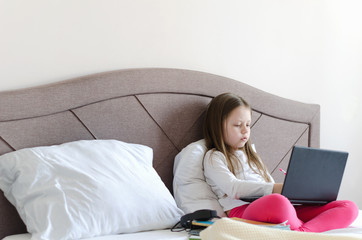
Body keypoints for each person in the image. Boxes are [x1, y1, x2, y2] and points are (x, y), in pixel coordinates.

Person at [202, 92, 358, 232]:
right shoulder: (214, 157)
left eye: (248, 125)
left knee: (350, 207)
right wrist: (276, 189)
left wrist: (295, 190)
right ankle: (303, 227)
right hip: (243, 210)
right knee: (278, 201)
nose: (245, 130)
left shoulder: (252, 156)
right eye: (238, 125)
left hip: (280, 205)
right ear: (218, 126)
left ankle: (302, 232)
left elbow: (268, 183)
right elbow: (233, 188)